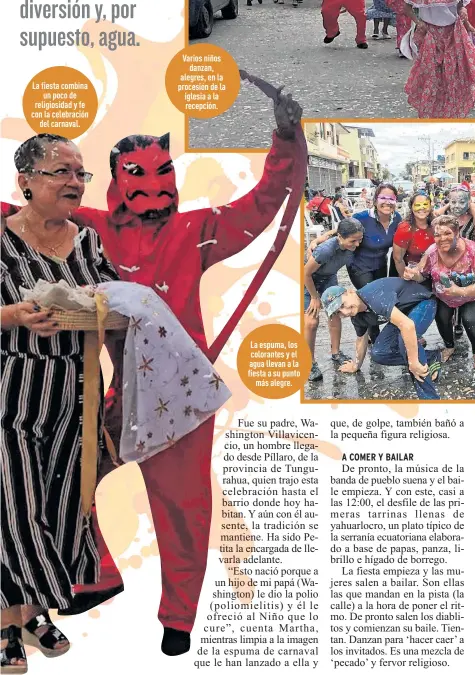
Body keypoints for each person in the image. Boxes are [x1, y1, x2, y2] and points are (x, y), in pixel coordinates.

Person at [6, 89, 303, 657]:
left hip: (181, 396)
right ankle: (78, 582)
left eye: (162, 171)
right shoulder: (88, 226)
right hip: (107, 392)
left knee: (185, 508)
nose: (153, 185)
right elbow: (22, 212)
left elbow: (266, 201)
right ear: (117, 179)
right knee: (52, 484)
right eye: (137, 173)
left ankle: (179, 619)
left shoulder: (200, 228)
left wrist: (285, 142)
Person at [0, 134, 120, 673]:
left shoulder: (89, 241)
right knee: (13, 509)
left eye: (81, 173)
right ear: (25, 180)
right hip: (13, 394)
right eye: (60, 172)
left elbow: (114, 300)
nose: (75, 181)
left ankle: (33, 612)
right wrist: (12, 317)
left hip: (78, 396)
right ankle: (7, 622)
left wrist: (113, 310)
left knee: (60, 509)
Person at [321, 278, 441, 399]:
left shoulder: (374, 296)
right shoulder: (357, 317)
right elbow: (361, 339)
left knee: (407, 346)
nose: (345, 312)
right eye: (339, 312)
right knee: (379, 353)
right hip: (402, 314)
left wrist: (414, 362)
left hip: (423, 303)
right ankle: (432, 357)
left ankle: (430, 399)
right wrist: (356, 365)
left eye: (342, 305)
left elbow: (408, 326)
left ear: (350, 292)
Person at [404, 215, 475, 366]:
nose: (442, 238)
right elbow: (421, 274)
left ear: (457, 233)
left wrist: (460, 292)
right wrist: (413, 274)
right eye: (437, 235)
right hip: (443, 297)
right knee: (442, 318)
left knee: (471, 320)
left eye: (447, 233)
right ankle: (449, 346)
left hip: (470, 296)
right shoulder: (432, 251)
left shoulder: (472, 250)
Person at [304, 218, 365, 381]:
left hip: (328, 277)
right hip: (308, 279)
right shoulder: (325, 250)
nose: (357, 244)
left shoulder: (347, 240)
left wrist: (324, 235)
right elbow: (306, 273)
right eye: (353, 241)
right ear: (341, 237)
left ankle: (336, 352)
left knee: (335, 313)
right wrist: (314, 297)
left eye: (360, 240)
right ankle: (309, 363)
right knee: (311, 322)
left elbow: (336, 230)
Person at [348, 183, 402, 342]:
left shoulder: (396, 218)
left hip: (380, 265)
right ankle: (374, 336)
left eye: (391, 198)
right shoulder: (362, 218)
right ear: (375, 200)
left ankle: (384, 332)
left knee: (381, 297)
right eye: (383, 197)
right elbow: (342, 233)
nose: (387, 202)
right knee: (371, 299)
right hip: (360, 266)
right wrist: (321, 239)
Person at [403, 0, 475, 118]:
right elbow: (406, 7)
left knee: (453, 74)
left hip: (453, 33)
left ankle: (451, 112)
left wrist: (466, 20)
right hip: (430, 34)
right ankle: (431, 111)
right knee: (431, 73)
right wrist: (418, 22)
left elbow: (459, 6)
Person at [392, 191, 434, 281]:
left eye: (425, 204)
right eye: (417, 205)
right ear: (411, 207)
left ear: (430, 206)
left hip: (433, 275)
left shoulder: (436, 225)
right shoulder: (405, 229)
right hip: (412, 276)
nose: (422, 208)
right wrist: (406, 278)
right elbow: (398, 259)